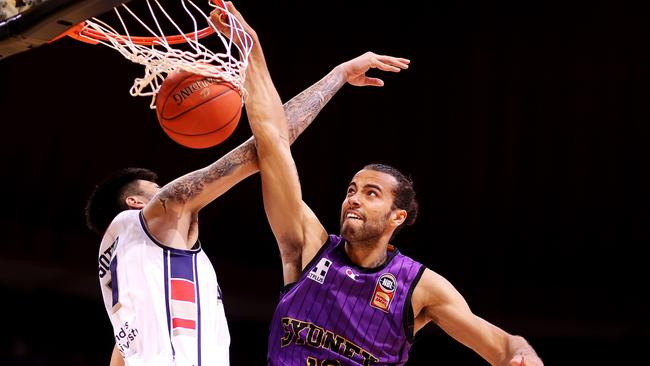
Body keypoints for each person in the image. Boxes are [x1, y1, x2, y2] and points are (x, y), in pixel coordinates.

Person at [221, 3, 545, 365]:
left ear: (397, 217)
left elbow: (504, 346)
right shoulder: (308, 244)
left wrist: (524, 358)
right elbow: (271, 141)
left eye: (371, 193)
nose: (354, 199)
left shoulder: (419, 287)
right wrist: (251, 47)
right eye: (351, 190)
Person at [84, 35, 410, 366]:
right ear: (137, 203)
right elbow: (267, 146)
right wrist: (338, 76)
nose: (165, 189)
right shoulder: (162, 212)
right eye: (156, 188)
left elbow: (121, 358)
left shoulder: (120, 283)